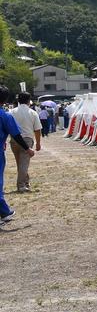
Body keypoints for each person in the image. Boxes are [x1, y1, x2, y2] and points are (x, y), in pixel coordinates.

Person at [0, 86, 36, 222]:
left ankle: (4, 211)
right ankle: (4, 212)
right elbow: (16, 134)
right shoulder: (5, 115)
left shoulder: (9, 113)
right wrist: (28, 149)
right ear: (5, 100)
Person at [10, 92, 42, 192]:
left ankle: (26, 182)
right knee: (24, 164)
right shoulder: (32, 113)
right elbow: (37, 129)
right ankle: (21, 185)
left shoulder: (11, 112)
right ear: (29, 101)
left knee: (20, 164)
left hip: (14, 140)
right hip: (27, 139)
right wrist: (38, 143)